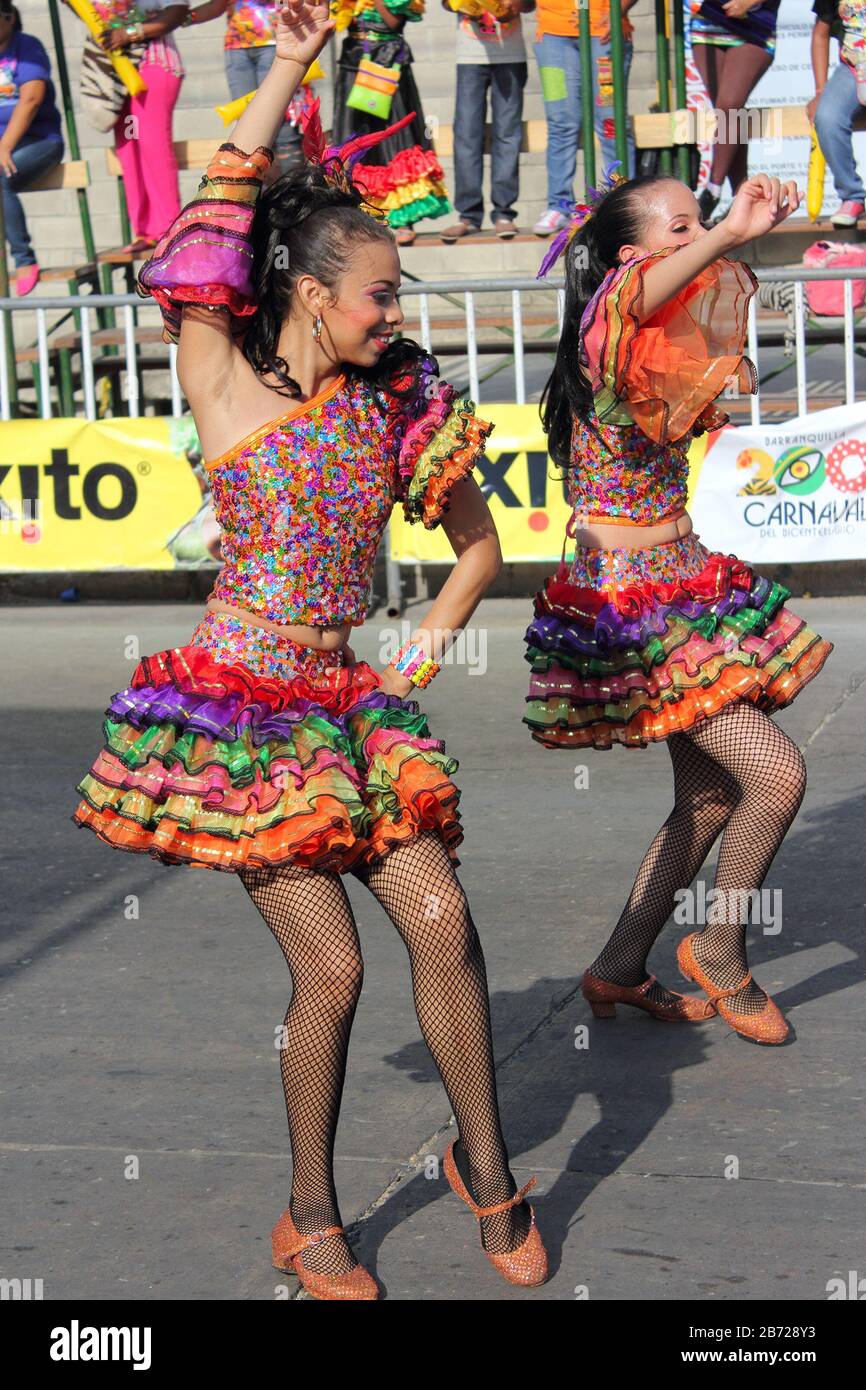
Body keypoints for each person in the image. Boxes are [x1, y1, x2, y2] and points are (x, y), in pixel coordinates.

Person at [71, 0, 549, 1300]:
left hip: (351, 703)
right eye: (378, 291)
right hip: (240, 719)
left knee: (442, 922)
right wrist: (285, 58)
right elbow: (209, 216)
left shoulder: (400, 396)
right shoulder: (220, 376)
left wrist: (417, 651)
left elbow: (478, 548)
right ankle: (308, 1208)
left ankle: (486, 1166)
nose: (394, 309)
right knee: (329, 969)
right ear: (307, 290)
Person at [524, 166, 834, 1045]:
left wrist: (743, 233)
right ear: (630, 259)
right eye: (679, 229)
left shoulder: (663, 344)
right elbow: (633, 293)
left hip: (687, 581)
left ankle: (619, 968)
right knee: (777, 774)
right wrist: (730, 231)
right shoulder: (610, 324)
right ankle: (721, 950)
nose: (696, 239)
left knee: (705, 801)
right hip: (631, 606)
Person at [73, 1, 189, 255]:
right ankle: (145, 231)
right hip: (115, 67)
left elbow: (177, 10)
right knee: (128, 148)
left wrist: (129, 33)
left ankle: (169, 229)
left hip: (153, 63)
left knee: (153, 144)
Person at [331, 0, 450, 245]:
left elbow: (393, 22)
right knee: (356, 142)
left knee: (394, 139)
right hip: (354, 60)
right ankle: (362, 212)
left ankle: (402, 218)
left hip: (387, 62)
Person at [533, 0, 638, 236]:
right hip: (553, 36)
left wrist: (617, 10)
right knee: (560, 121)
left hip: (603, 31)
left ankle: (621, 202)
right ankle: (558, 206)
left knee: (611, 122)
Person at [439, 0, 535, 243]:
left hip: (510, 55)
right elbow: (446, 4)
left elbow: (530, 5)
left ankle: (504, 212)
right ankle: (468, 215)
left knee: (508, 134)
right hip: (470, 57)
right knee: (467, 135)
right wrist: (463, 5)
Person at [181, 1, 306, 170]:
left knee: (280, 117)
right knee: (247, 120)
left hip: (274, 43)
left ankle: (293, 188)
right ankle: (256, 189)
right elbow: (219, 4)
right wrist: (182, 18)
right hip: (237, 48)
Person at [689, 0, 781, 224]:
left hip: (754, 27)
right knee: (728, 114)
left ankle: (713, 188)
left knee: (729, 105)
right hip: (707, 25)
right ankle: (742, 194)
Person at [0, 2, 64, 296]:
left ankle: (24, 258)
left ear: (8, 18)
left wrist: (5, 147)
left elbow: (31, 99)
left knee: (0, 174)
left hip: (39, 142)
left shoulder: (26, 47)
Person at [810, 1, 866, 227]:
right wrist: (820, 91)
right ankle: (852, 196)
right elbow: (820, 35)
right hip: (853, 68)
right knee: (828, 117)